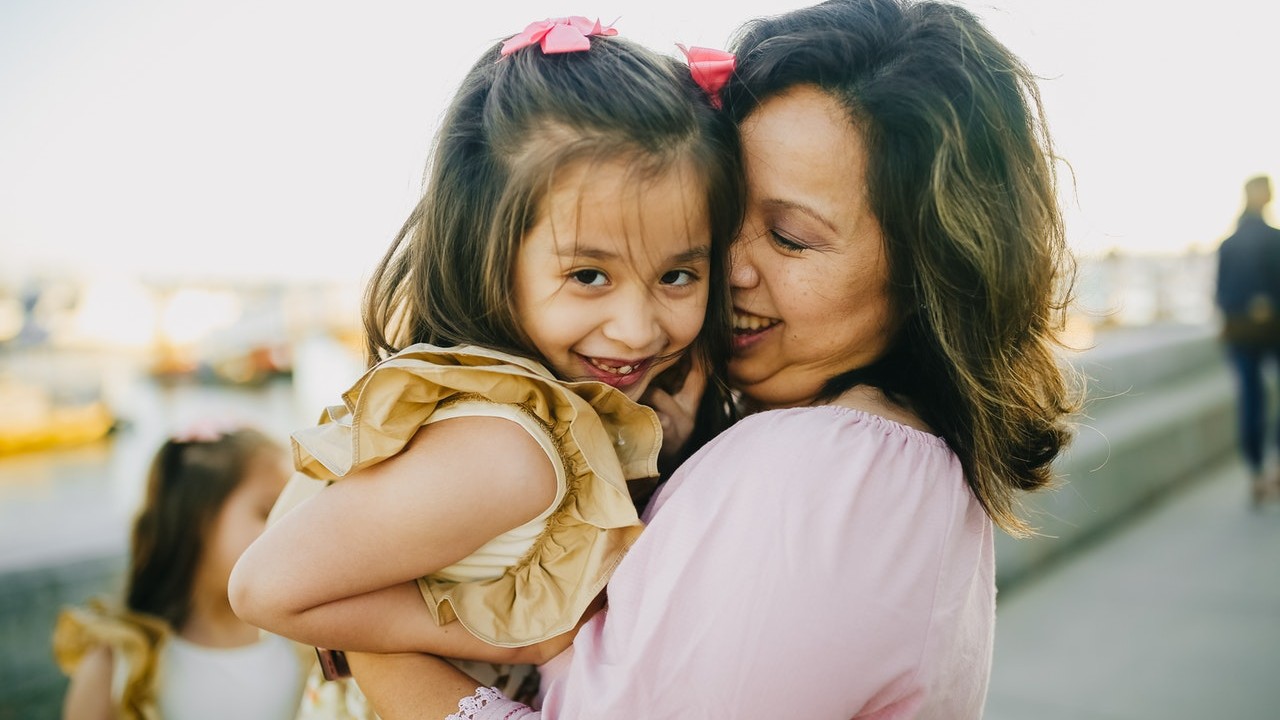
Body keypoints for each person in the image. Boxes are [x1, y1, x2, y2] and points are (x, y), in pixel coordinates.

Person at [342, 1, 1079, 718]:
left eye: (790, 238)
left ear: (932, 273)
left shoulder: (823, 474)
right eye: (717, 220)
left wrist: (371, 641)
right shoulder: (885, 460)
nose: (727, 268)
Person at [228, 14, 740, 702]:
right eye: (590, 275)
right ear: (487, 256)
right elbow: (262, 588)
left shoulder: (521, 410)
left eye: (678, 275)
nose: (637, 329)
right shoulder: (507, 452)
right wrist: (511, 637)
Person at [53, 425, 307, 720]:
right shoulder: (116, 665)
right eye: (268, 511)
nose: (289, 527)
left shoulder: (304, 641)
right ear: (196, 521)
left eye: (293, 510)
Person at [1214, 174, 1280, 506]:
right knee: (1255, 399)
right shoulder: (1274, 239)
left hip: (1239, 331)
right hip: (1272, 330)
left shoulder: (1229, 243)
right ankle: (1272, 468)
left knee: (1250, 400)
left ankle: (1256, 471)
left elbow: (1220, 294)